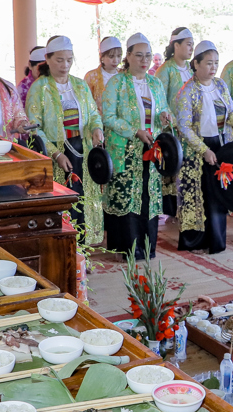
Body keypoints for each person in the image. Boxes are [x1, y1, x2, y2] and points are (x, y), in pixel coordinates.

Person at [26, 36, 105, 243]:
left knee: (83, 197)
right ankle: (66, 246)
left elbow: (94, 114)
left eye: (69, 60)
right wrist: (56, 154)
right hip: (59, 153)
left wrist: (96, 128)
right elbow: (34, 127)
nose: (65, 65)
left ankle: (84, 247)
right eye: (59, 60)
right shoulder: (39, 88)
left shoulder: (80, 85)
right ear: (48, 59)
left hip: (83, 150)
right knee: (66, 202)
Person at [102, 33, 173, 260]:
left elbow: (164, 108)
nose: (145, 60)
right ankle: (127, 249)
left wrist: (165, 116)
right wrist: (134, 131)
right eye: (139, 55)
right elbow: (108, 117)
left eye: (148, 56)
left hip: (152, 147)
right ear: (128, 56)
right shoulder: (116, 83)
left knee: (148, 198)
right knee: (127, 199)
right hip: (125, 149)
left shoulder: (155, 82)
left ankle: (147, 248)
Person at [175, 40, 233, 254]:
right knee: (197, 195)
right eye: (208, 63)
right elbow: (184, 127)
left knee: (217, 194)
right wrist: (203, 150)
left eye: (216, 63)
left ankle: (216, 241)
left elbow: (231, 111)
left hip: (220, 144)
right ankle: (195, 240)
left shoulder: (221, 86)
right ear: (195, 64)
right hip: (197, 149)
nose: (213, 67)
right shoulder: (187, 91)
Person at [154, 27, 195, 219]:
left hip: (192, 129)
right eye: (188, 44)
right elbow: (159, 101)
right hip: (173, 129)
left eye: (193, 45)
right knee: (174, 168)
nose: (191, 48)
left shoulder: (190, 69)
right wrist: (175, 122)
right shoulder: (165, 70)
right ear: (176, 45)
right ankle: (172, 211)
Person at [85, 36, 122, 112]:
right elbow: (86, 103)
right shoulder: (91, 77)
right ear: (102, 57)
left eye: (119, 56)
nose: (116, 60)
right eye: (111, 57)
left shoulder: (124, 75)